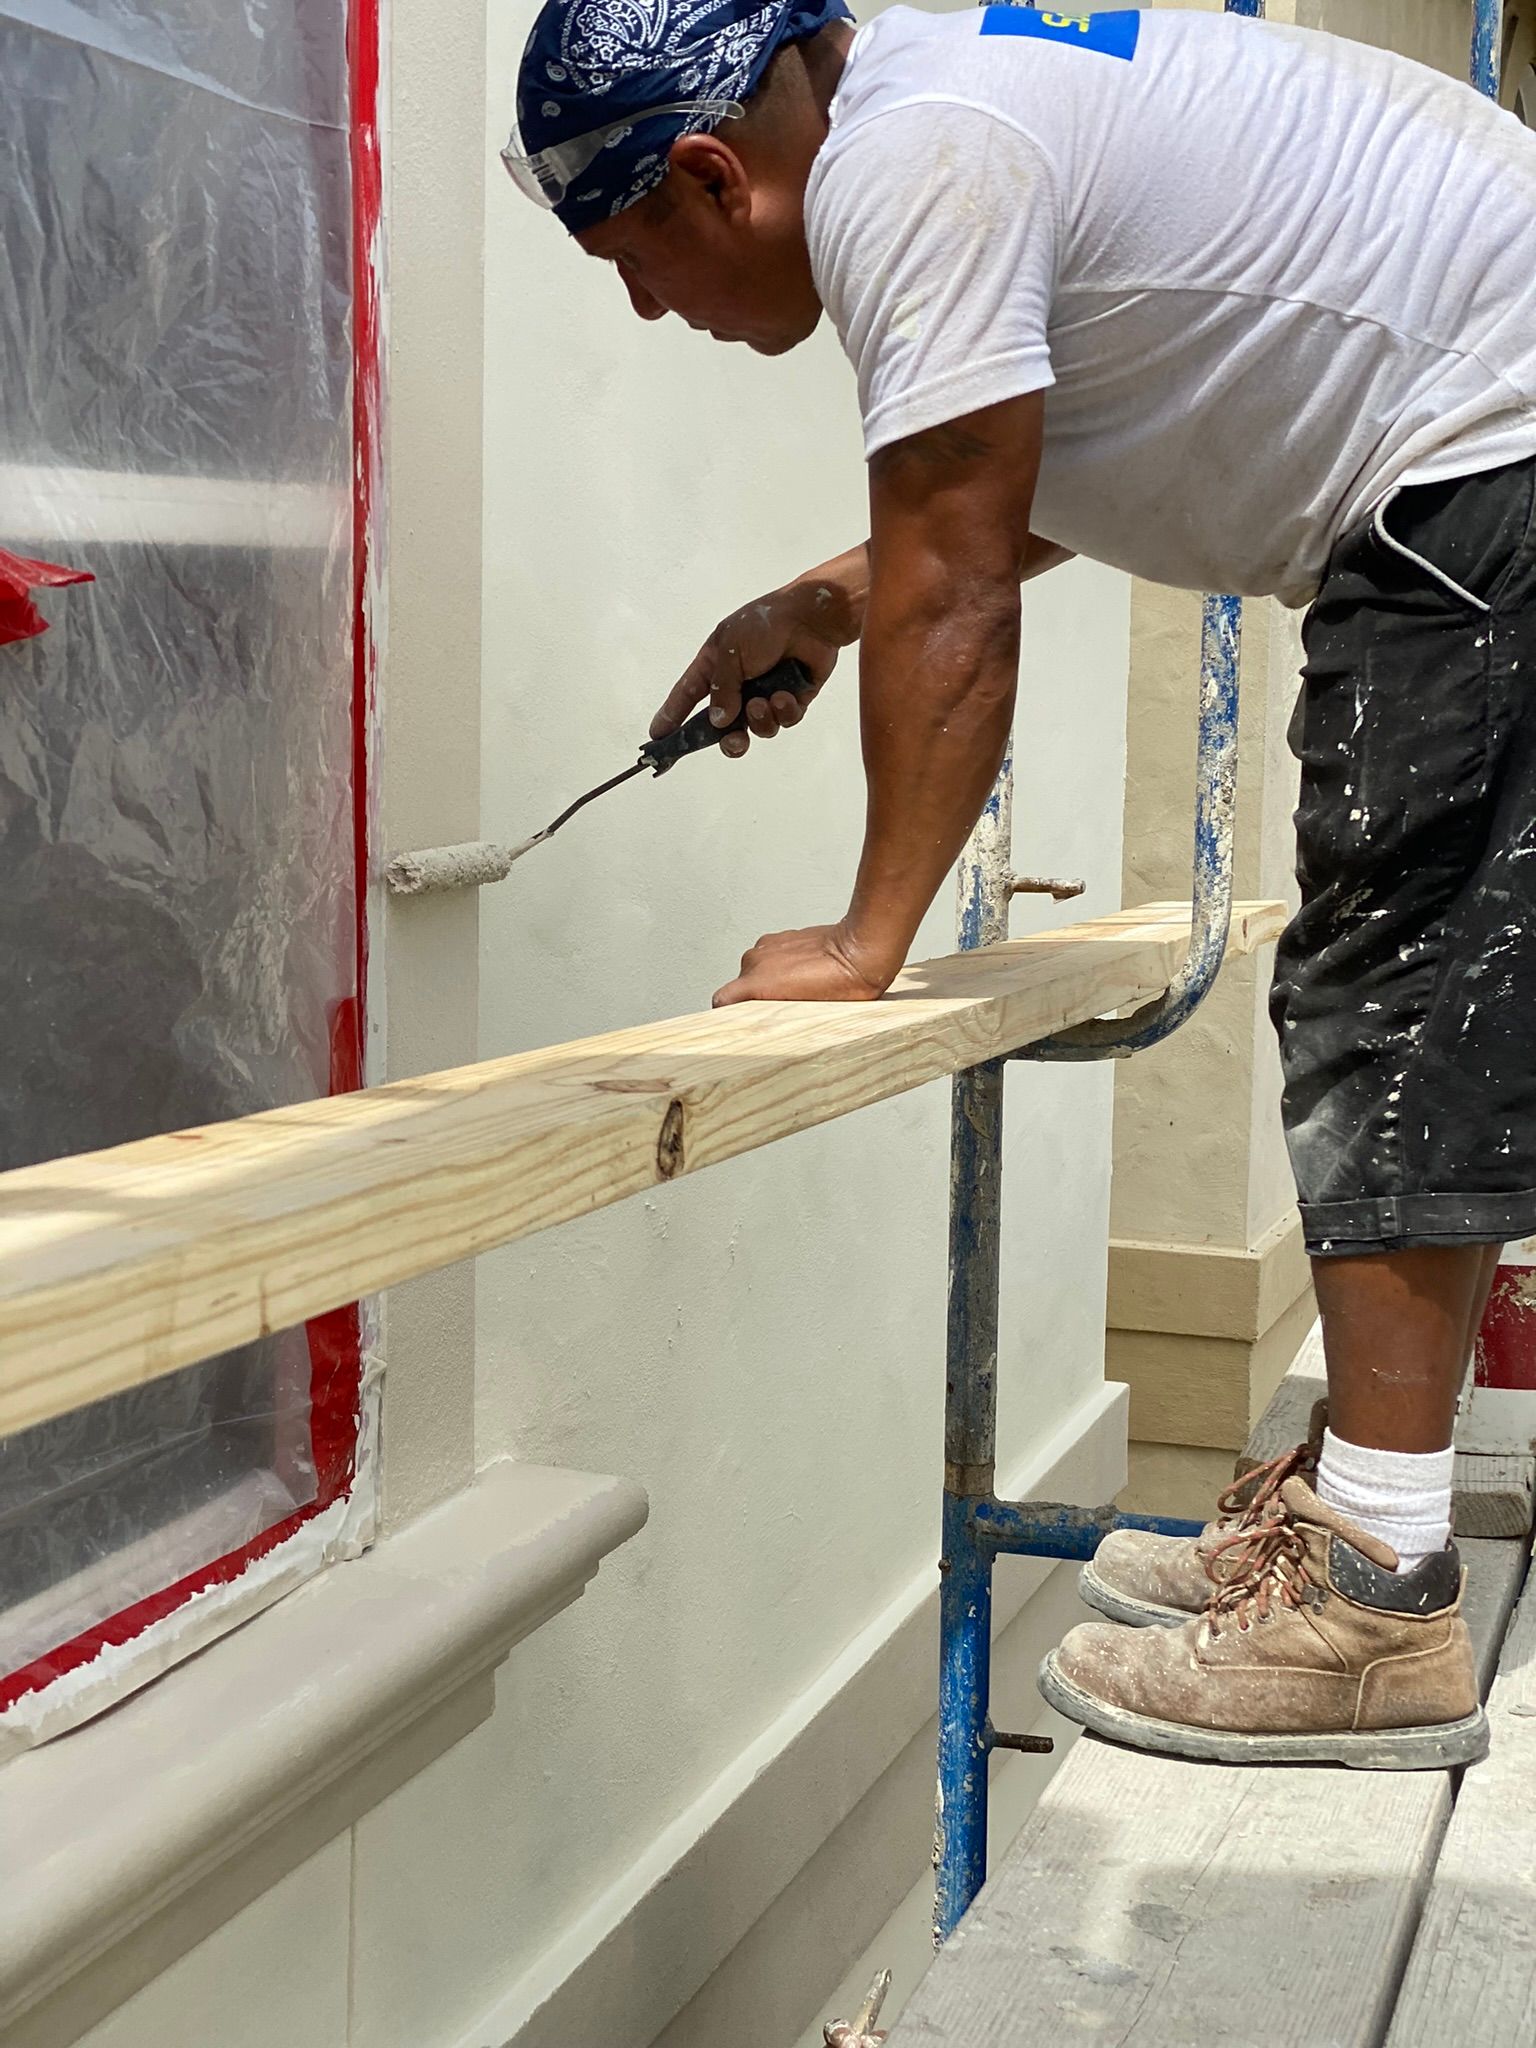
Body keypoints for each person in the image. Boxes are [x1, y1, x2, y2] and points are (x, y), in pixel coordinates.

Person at [507, 0, 1536, 1767]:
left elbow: (961, 586)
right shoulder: (939, 105)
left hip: (1483, 454)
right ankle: (1365, 1512)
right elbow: (1039, 462)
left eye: (633, 260)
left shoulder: (912, 162)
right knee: (1406, 981)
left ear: (713, 176)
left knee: (1392, 994)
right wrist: (829, 601)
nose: (649, 310)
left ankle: (1374, 1600)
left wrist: (867, 941)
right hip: (1482, 426)